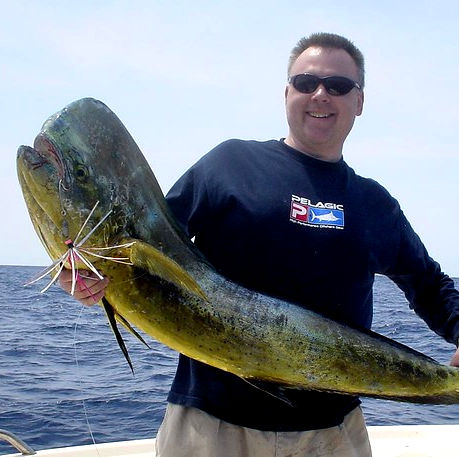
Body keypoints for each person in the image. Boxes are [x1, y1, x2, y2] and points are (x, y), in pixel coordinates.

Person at [60, 32, 459, 457]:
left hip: (330, 434)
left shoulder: (375, 203)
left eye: (339, 86)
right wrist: (84, 273)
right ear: (287, 93)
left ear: (359, 101)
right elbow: (144, 244)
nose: (320, 95)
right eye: (306, 83)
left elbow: (429, 285)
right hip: (211, 427)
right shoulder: (227, 164)